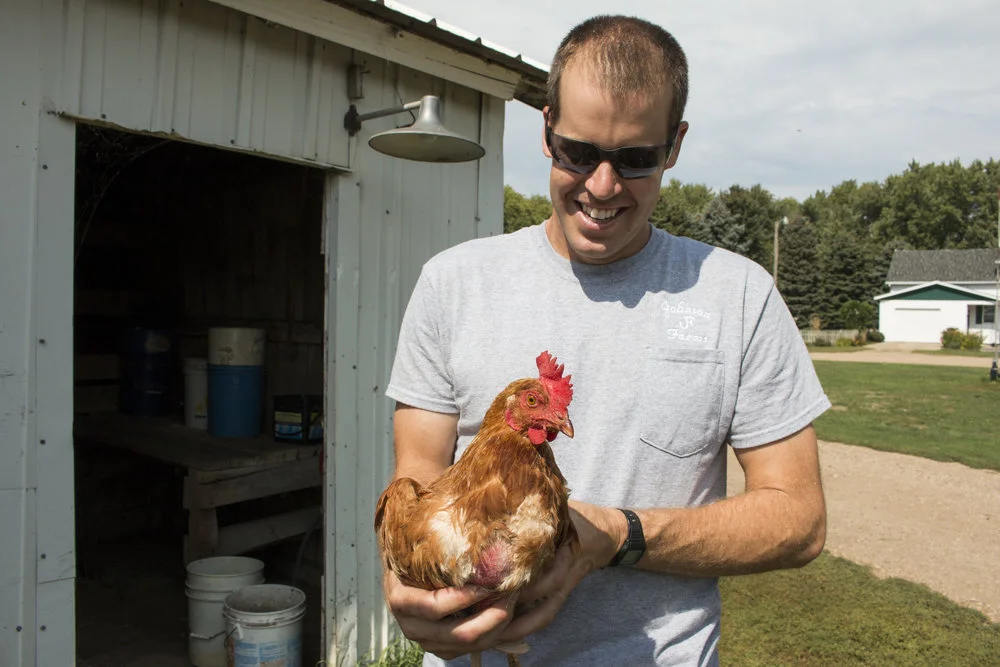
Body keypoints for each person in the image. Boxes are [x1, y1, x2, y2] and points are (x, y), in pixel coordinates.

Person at [381, 13, 830, 667]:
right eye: (578, 152)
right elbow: (416, 473)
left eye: (635, 159)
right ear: (545, 131)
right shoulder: (453, 282)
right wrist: (406, 577)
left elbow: (799, 519)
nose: (601, 185)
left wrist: (619, 534)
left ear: (674, 146)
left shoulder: (740, 296)